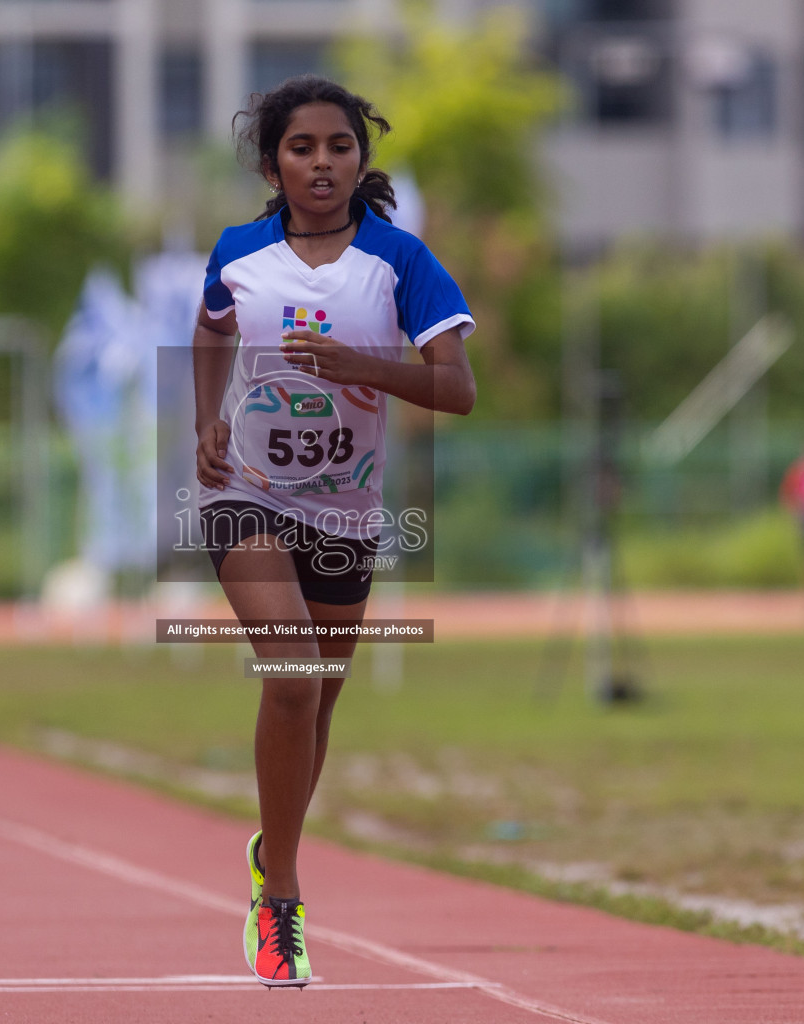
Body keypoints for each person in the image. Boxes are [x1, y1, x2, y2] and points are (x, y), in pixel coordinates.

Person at [193, 75, 476, 987]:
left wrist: (362, 365)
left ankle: (269, 848)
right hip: (246, 493)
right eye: (302, 148)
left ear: (362, 157)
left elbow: (458, 389)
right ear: (272, 161)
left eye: (340, 147)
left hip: (345, 512)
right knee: (292, 672)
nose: (322, 163)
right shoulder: (238, 252)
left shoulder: (400, 261)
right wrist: (208, 418)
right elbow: (211, 328)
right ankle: (283, 900)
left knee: (316, 703)